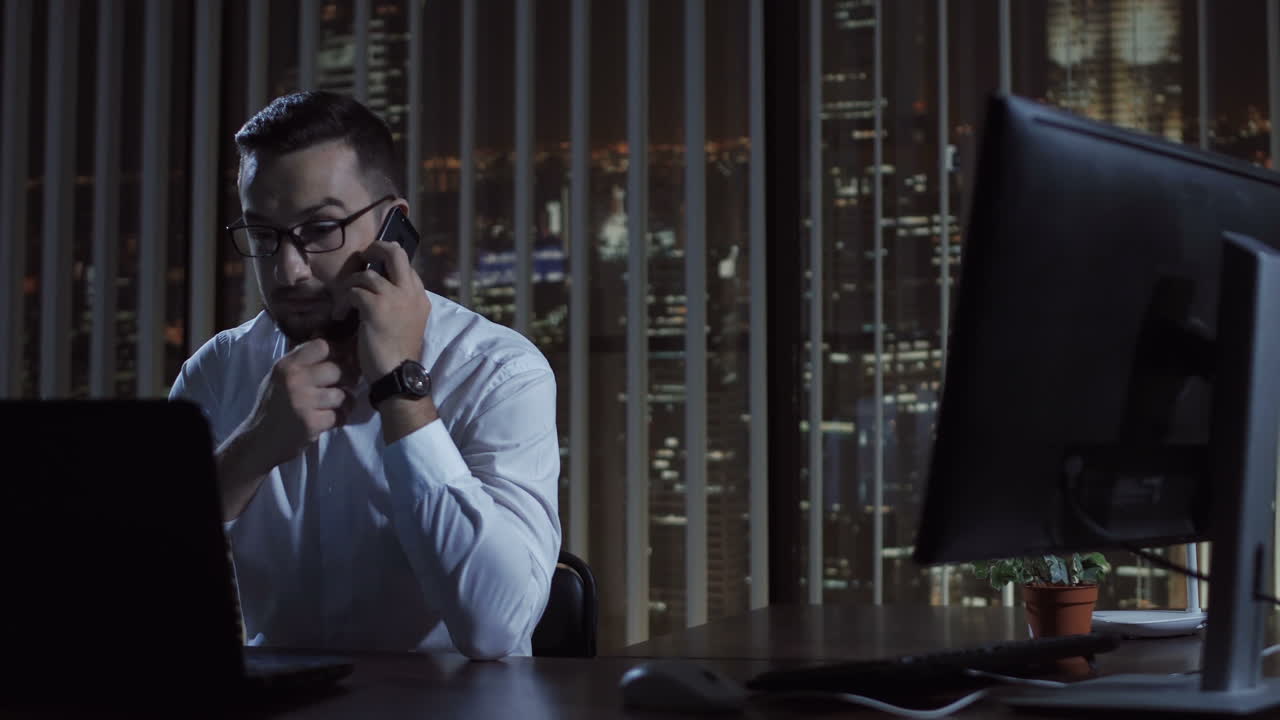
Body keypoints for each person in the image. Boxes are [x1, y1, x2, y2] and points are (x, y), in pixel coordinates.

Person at [169, 91, 560, 660]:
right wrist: (252, 450)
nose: (288, 269)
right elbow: (136, 589)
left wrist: (401, 388)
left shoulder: (498, 371)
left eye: (320, 229)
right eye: (263, 235)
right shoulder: (218, 370)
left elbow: (496, 630)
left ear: (392, 226)